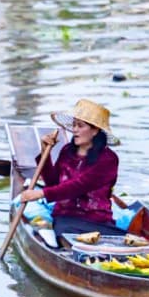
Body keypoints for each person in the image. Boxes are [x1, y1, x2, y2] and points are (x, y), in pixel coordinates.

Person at [18, 99, 122, 238]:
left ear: (95, 130)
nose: (74, 130)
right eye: (74, 125)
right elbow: (53, 183)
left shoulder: (108, 159)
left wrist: (41, 193)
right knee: (63, 235)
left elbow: (79, 185)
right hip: (66, 217)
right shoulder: (67, 151)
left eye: (80, 126)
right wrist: (45, 153)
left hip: (97, 220)